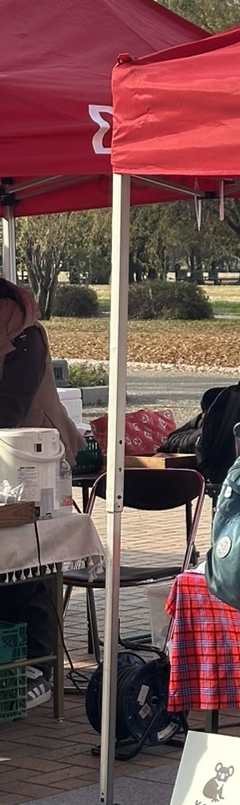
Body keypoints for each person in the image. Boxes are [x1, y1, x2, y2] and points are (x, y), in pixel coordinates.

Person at [0, 280, 84, 707]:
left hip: (40, 460)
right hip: (7, 463)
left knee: (32, 558)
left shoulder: (26, 338)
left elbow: (9, 408)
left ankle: (38, 664)